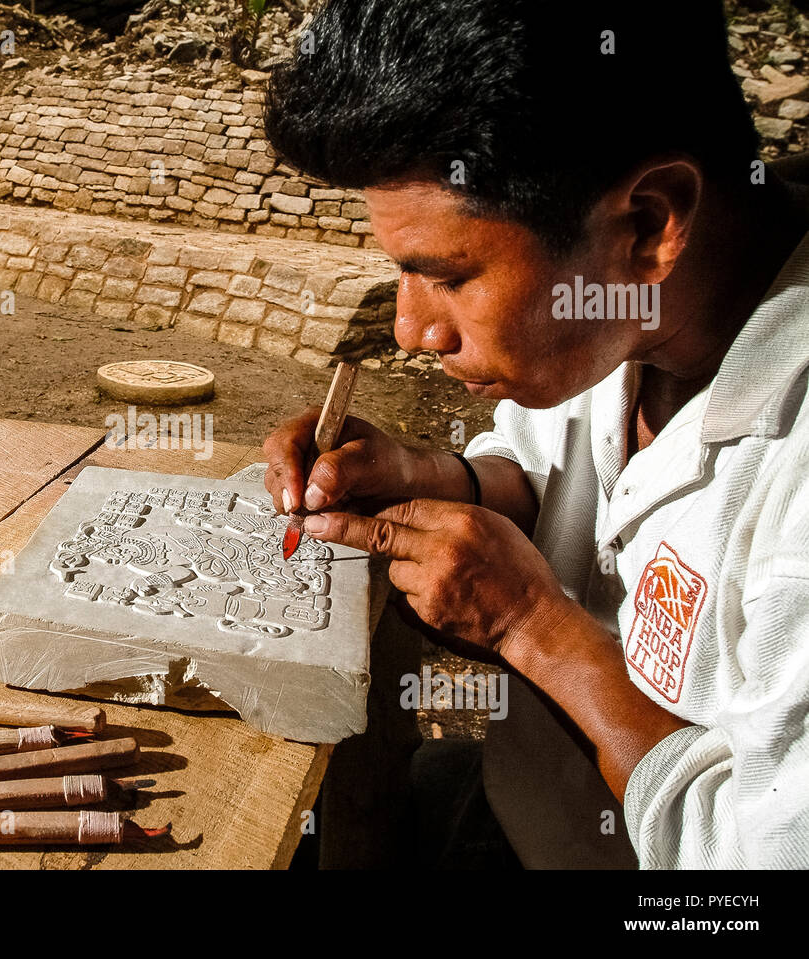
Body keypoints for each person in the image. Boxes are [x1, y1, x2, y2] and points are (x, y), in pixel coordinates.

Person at [261, 0, 809, 868]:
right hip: (516, 808)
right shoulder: (614, 326)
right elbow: (547, 475)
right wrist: (428, 478)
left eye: (446, 277)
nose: (412, 330)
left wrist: (529, 625)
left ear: (649, 222)